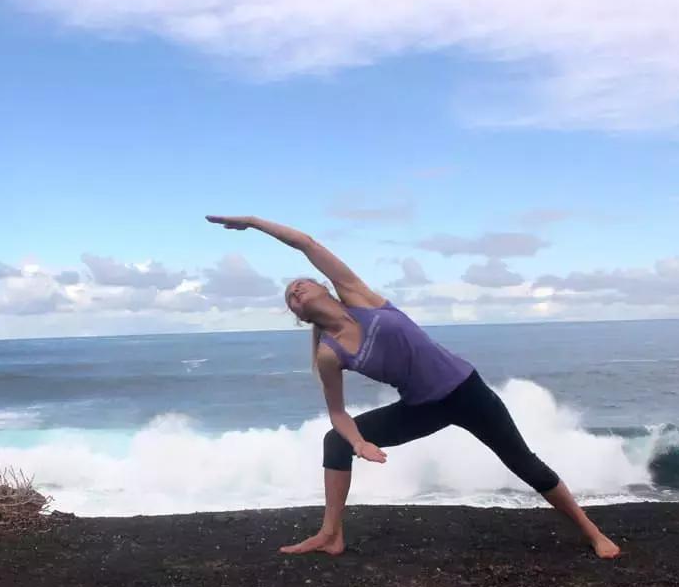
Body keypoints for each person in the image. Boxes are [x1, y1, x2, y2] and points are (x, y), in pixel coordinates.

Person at [206, 214, 621, 559]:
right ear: (299, 315)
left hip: (465, 389)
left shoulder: (358, 296)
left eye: (300, 284)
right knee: (335, 441)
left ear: (324, 286)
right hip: (423, 407)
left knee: (523, 463)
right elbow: (338, 413)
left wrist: (253, 223)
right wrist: (358, 443)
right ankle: (331, 535)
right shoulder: (329, 354)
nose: (296, 290)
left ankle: (591, 532)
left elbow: (305, 242)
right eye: (290, 297)